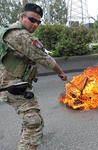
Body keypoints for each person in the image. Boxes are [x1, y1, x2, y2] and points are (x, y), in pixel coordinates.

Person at [0, 3, 67, 150]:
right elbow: (45, 59)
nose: (35, 24)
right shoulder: (20, 35)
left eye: (38, 22)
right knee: (34, 123)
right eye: (32, 20)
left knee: (29, 120)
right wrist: (61, 73)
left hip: (10, 84)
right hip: (13, 86)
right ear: (22, 17)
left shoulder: (7, 31)